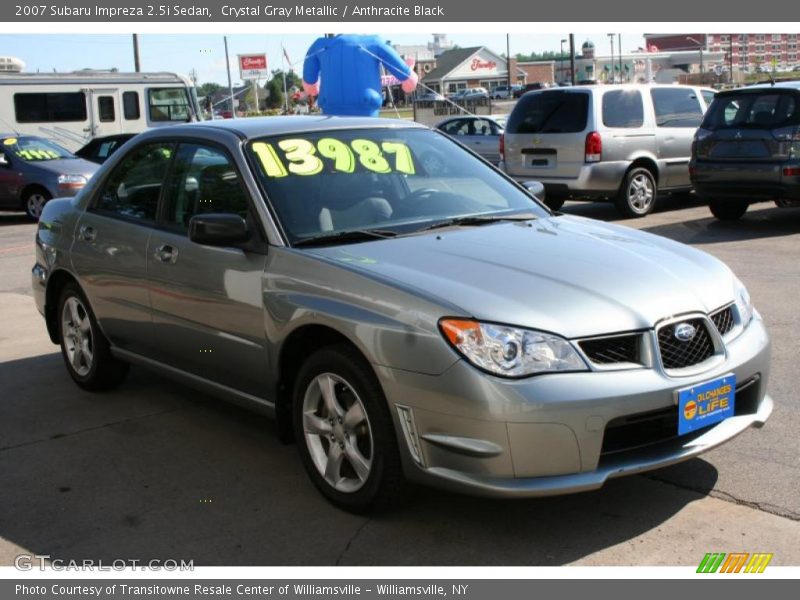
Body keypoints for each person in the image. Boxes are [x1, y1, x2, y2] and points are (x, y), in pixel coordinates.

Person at [302, 34, 418, 117]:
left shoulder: (320, 45)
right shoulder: (374, 42)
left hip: (331, 118)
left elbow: (310, 88)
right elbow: (410, 83)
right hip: (367, 118)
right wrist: (410, 68)